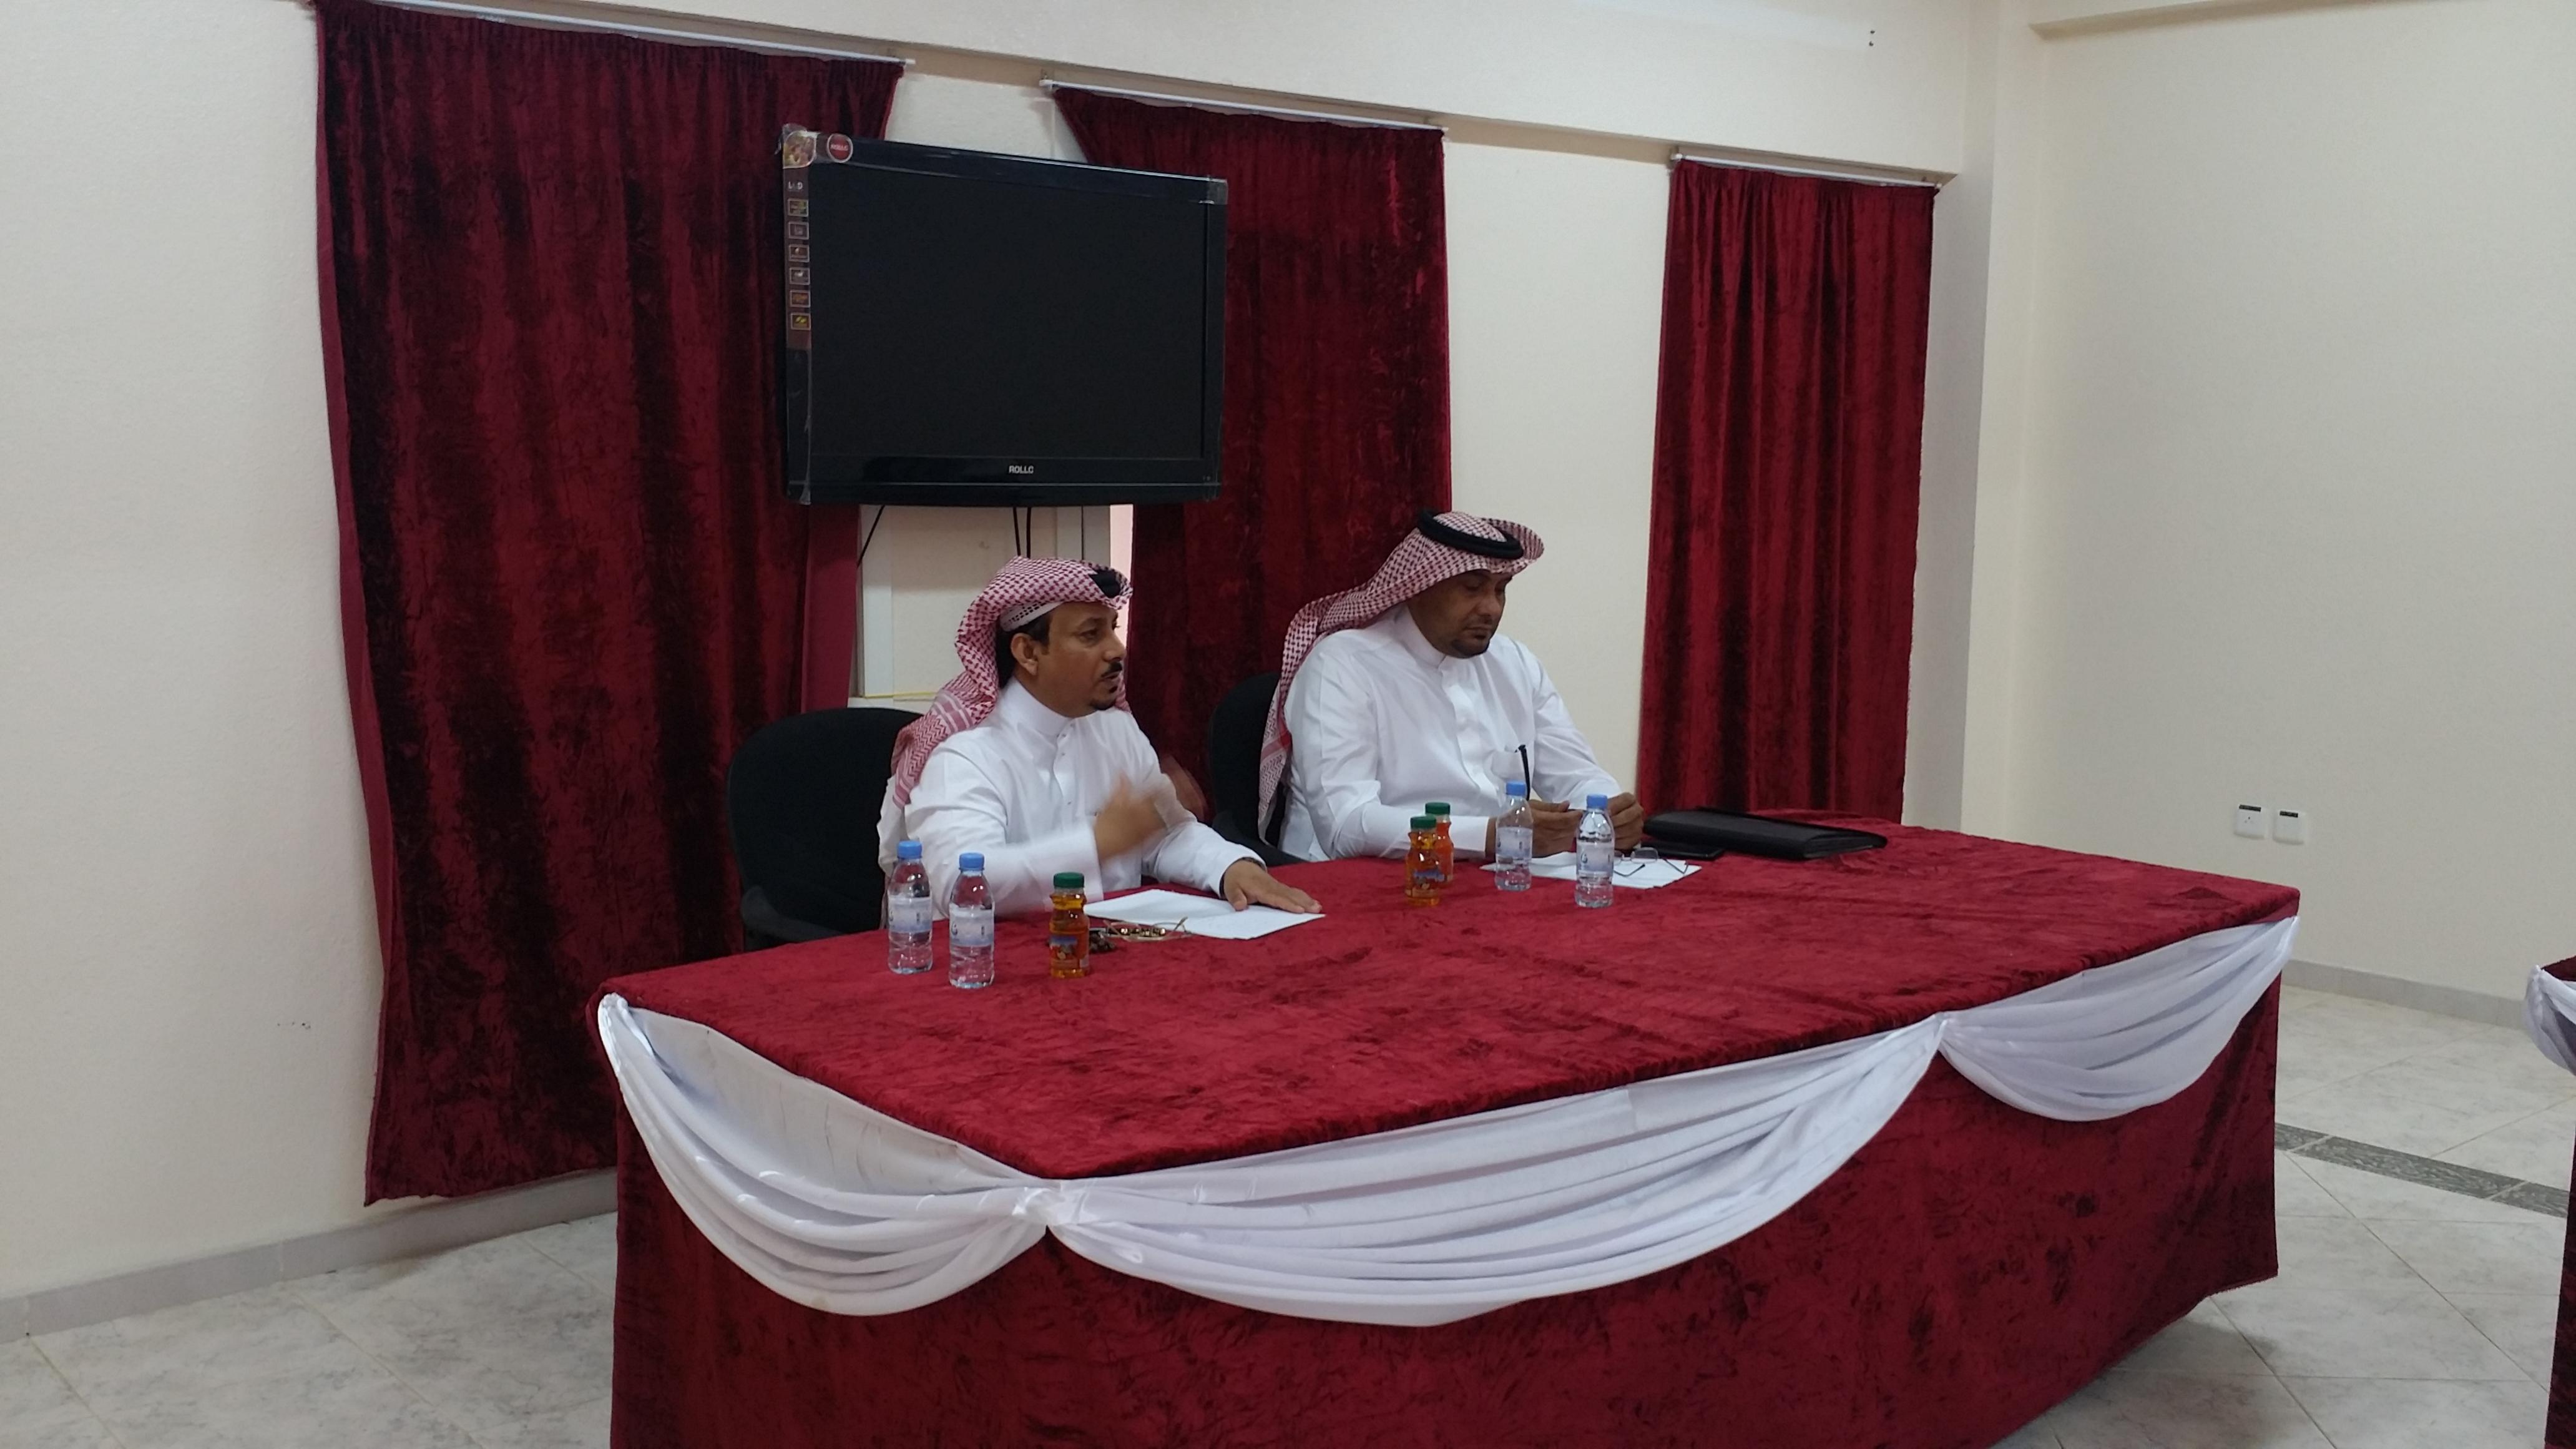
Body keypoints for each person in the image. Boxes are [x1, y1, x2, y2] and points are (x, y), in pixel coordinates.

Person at [879, 556, 1320, 920]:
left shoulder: (1114, 728)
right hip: (990, 970)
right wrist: (1097, 842)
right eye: (1091, 634)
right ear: (1028, 652)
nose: (1117, 649)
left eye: (1112, 627)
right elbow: (960, 885)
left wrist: (1230, 867)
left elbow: (1164, 835)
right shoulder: (963, 753)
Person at [1267, 510, 1646, 863]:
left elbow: (1574, 772)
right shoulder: (1343, 665)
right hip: (1353, 884)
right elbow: (1345, 825)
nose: (1492, 608)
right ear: (1418, 586)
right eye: (1472, 588)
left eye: (1500, 589)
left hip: (1490, 876)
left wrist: (1607, 811)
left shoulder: (1514, 663)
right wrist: (1490, 836)